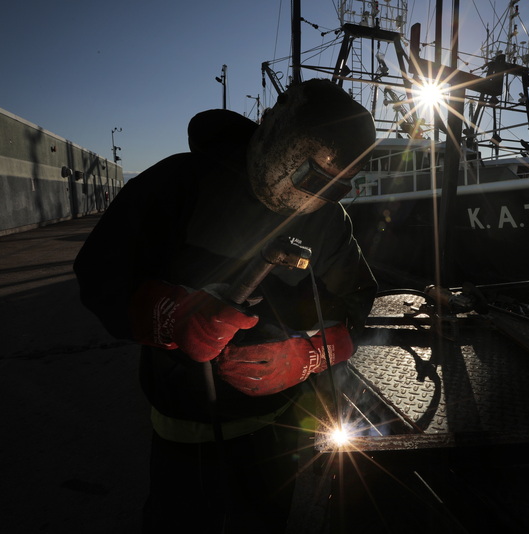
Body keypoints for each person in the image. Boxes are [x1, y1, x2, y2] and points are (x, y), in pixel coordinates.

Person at [74, 79, 378, 533]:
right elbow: (100, 274)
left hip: (281, 427)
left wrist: (312, 354)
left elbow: (358, 302)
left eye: (336, 188)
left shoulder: (329, 222)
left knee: (265, 522)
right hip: (187, 428)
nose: (315, 198)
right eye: (313, 178)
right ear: (279, 134)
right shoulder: (180, 183)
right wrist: (169, 317)